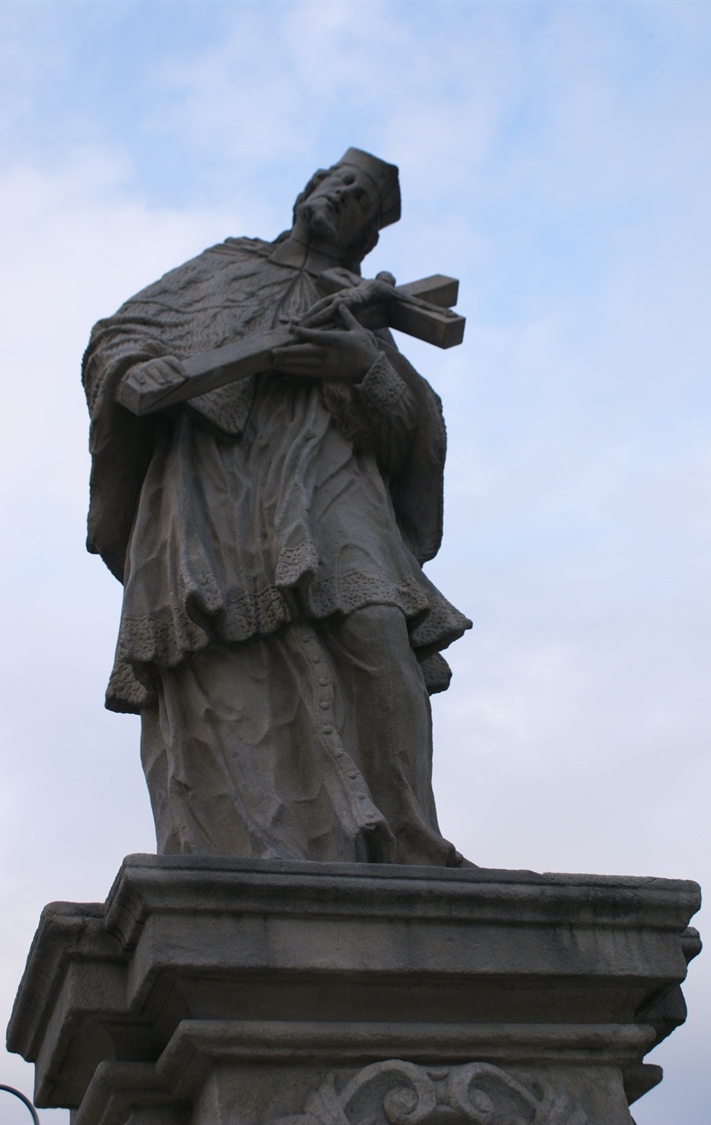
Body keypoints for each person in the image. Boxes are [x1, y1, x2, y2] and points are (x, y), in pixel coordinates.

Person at [83, 148, 471, 865]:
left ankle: (409, 840)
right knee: (224, 654)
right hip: (216, 478)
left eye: (360, 198)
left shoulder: (362, 303)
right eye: (338, 183)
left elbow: (411, 428)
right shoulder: (228, 264)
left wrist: (362, 366)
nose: (344, 195)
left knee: (377, 625)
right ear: (308, 190)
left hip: (327, 470)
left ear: (366, 235)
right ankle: (247, 854)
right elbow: (121, 335)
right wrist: (138, 366)